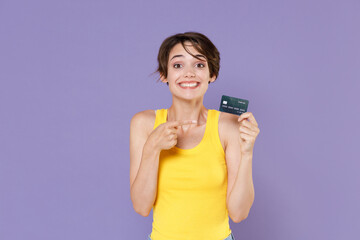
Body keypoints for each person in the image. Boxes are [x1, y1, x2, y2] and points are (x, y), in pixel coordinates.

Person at [129, 32, 260, 240]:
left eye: (199, 65)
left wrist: (247, 153)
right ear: (164, 74)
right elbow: (141, 207)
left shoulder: (229, 126)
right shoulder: (144, 124)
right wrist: (152, 148)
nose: (189, 73)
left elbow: (239, 213)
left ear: (212, 74)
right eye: (178, 65)